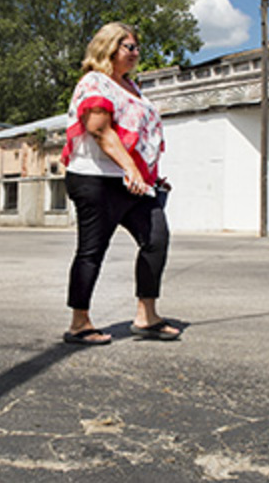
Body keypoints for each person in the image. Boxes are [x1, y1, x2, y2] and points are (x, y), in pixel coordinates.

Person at [59, 22, 180, 345]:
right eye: (129, 46)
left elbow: (137, 137)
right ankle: (79, 323)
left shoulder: (132, 87)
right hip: (95, 179)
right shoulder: (94, 82)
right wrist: (132, 169)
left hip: (132, 181)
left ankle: (146, 315)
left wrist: (148, 173)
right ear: (108, 47)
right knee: (92, 250)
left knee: (156, 238)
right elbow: (100, 130)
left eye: (137, 47)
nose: (136, 53)